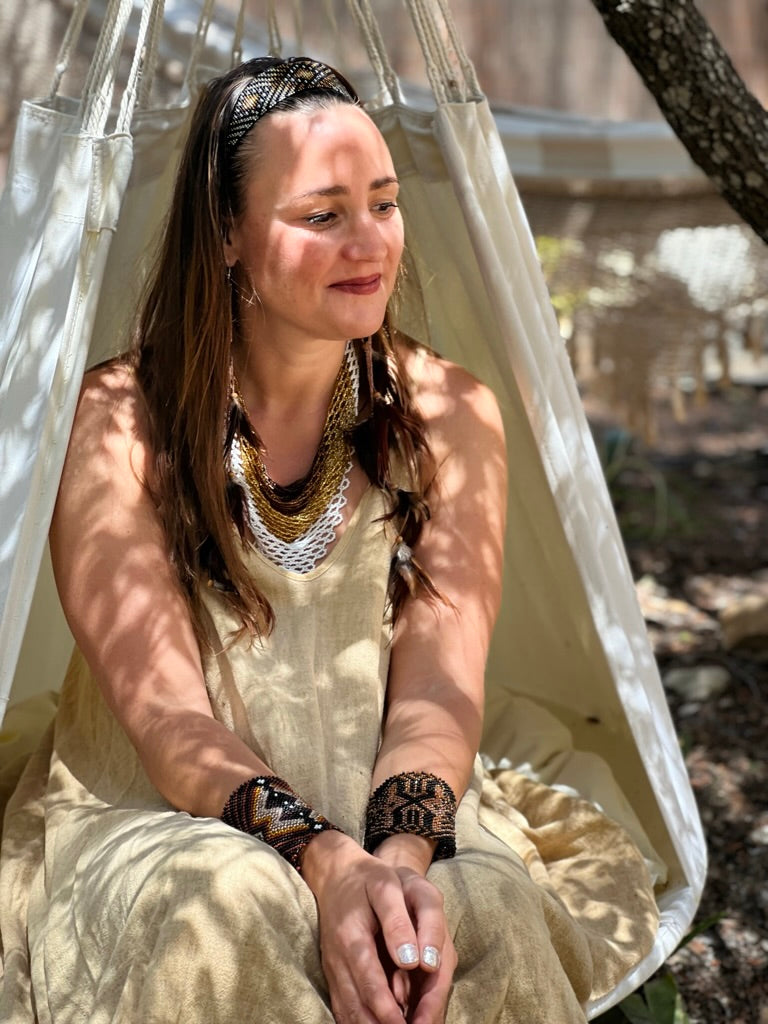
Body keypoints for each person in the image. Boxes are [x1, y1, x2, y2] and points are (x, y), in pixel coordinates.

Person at [0, 56, 659, 1024]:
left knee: (480, 920)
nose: (370, 243)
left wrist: (394, 863)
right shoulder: (118, 423)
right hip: (163, 801)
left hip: (386, 786)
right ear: (226, 234)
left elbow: (436, 687)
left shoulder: (447, 413)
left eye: (384, 204)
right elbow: (169, 724)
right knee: (224, 914)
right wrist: (324, 861)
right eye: (322, 214)